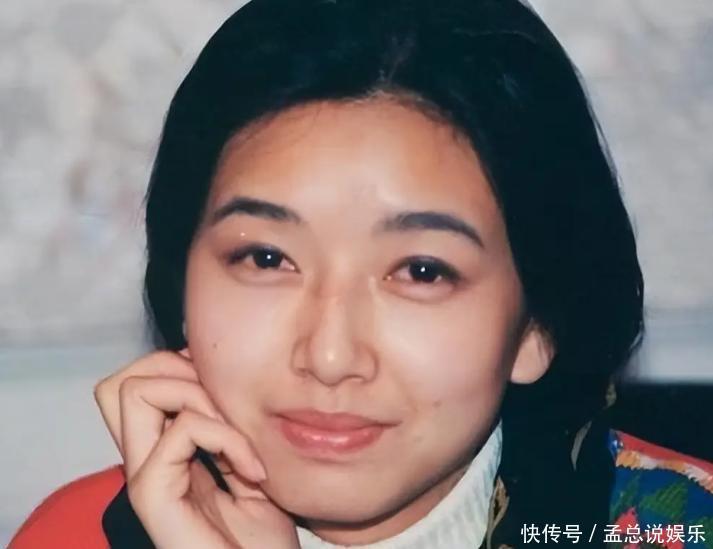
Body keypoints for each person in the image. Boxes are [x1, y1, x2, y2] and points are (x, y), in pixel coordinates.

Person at [10, 0, 713, 547]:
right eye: (265, 258)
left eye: (420, 271)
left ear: (536, 324)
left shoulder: (678, 527)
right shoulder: (74, 535)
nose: (329, 356)